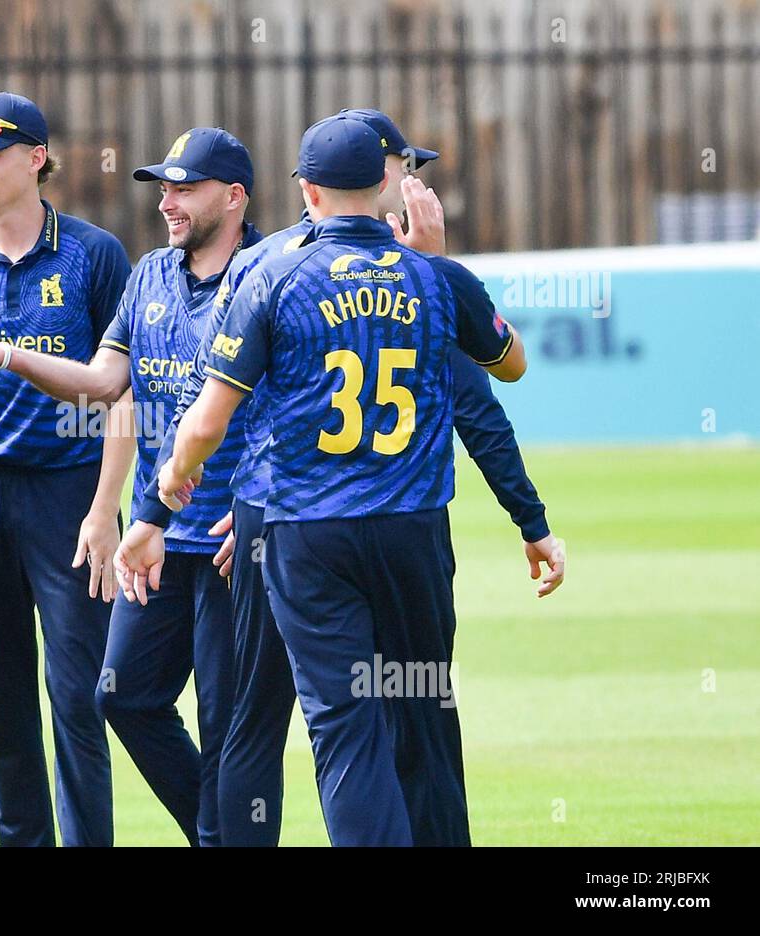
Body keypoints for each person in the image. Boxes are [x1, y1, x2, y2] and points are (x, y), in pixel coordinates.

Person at [124, 108, 566, 845]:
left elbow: (205, 422)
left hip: (307, 536)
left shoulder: (271, 275)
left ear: (308, 190)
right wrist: (443, 274)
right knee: (423, 719)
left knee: (344, 731)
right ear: (384, 181)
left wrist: (161, 502)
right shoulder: (435, 277)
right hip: (413, 534)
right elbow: (509, 365)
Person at [0, 127, 260, 845]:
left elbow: (132, 396)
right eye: (162, 188)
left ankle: (222, 833)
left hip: (161, 517)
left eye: (183, 188)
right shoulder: (143, 274)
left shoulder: (119, 257)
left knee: (136, 708)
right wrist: (7, 359)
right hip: (73, 513)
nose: (166, 203)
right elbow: (112, 382)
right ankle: (216, 831)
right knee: (70, 700)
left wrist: (110, 506)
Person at [0, 92, 131, 846]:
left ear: (36, 157)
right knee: (2, 706)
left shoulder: (94, 254)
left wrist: (106, 511)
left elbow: (121, 397)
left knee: (80, 700)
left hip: (68, 497)